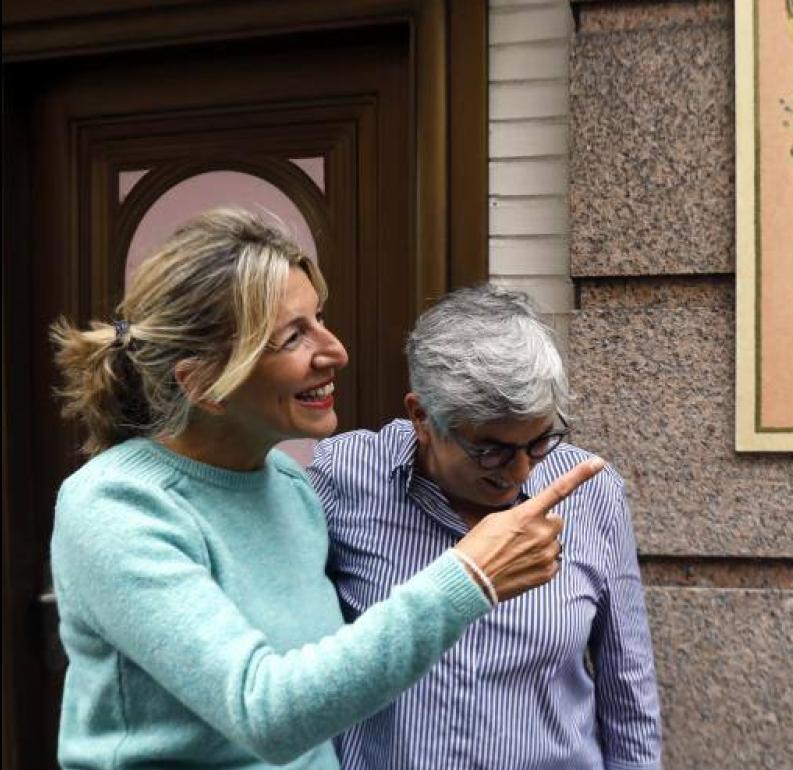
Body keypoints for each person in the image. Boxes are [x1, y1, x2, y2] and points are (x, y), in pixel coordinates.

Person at [48, 208, 603, 770]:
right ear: (204, 382)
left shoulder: (290, 487)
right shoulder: (116, 508)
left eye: (320, 318)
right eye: (294, 335)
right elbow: (265, 712)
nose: (334, 350)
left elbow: (326, 700)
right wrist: (469, 576)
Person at [306, 285, 663, 770]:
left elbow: (628, 686)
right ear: (421, 417)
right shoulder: (342, 478)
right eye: (491, 450)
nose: (519, 470)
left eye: (539, 442)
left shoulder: (590, 492)